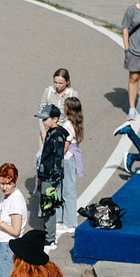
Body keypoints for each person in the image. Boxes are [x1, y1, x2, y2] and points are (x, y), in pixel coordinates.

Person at [35, 104, 67, 252]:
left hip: (51, 177)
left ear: (55, 118)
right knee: (46, 206)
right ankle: (48, 234)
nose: (43, 122)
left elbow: (58, 158)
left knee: (48, 207)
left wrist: (54, 179)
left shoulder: (57, 134)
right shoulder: (51, 132)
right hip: (46, 175)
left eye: (45, 119)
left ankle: (50, 238)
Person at [58, 97, 84, 236]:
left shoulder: (68, 124)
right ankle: (67, 220)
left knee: (67, 191)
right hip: (73, 158)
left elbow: (65, 145)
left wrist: (57, 156)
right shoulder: (76, 123)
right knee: (68, 190)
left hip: (67, 158)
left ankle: (69, 222)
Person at [37, 69, 77, 143]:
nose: (57, 85)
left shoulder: (72, 95)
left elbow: (73, 116)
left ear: (67, 82)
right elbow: (40, 111)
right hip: (47, 131)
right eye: (55, 82)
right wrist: (43, 132)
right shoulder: (48, 91)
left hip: (64, 133)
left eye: (60, 83)